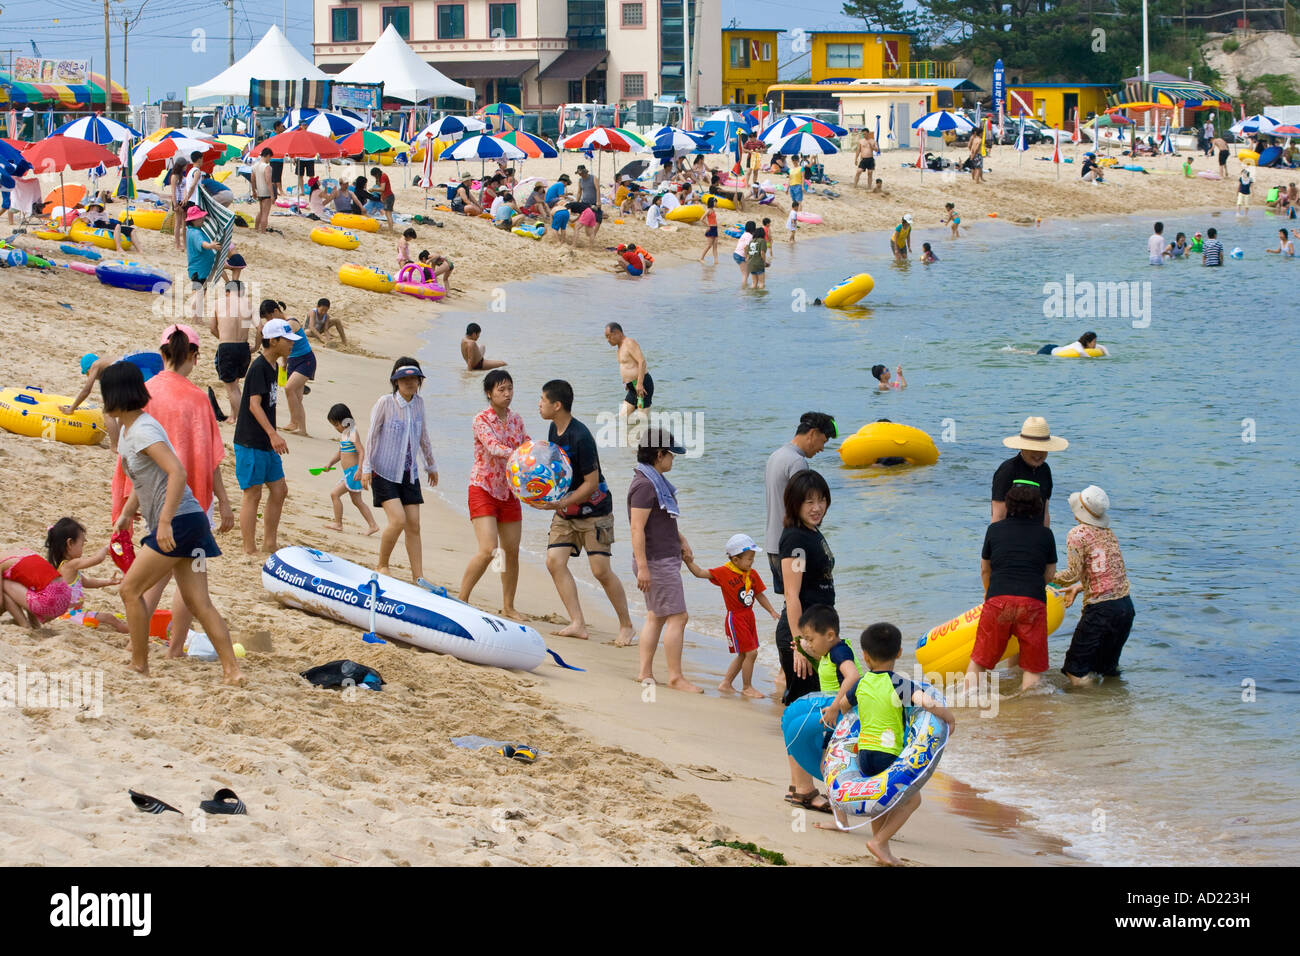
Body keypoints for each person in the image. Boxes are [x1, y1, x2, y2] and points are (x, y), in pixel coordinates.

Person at [103, 361, 241, 683]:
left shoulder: (143, 430)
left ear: (115, 395)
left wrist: (163, 522)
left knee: (130, 590)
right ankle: (232, 671)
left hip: (179, 523)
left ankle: (140, 663)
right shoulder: (128, 431)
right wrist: (126, 512)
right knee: (199, 602)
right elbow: (144, 478)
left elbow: (177, 472)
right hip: (190, 524)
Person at [838, 622, 956, 864]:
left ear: (865, 656)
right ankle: (879, 842)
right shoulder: (898, 682)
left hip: (864, 755)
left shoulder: (861, 683)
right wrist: (949, 718)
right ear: (900, 652)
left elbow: (843, 706)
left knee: (879, 801)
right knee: (913, 799)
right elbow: (925, 701)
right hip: (887, 754)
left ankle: (882, 847)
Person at [531, 379, 635, 645]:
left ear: (557, 405)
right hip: (566, 510)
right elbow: (559, 471)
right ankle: (577, 622)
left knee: (600, 570)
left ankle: (626, 625)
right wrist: (541, 494)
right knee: (554, 561)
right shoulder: (554, 428)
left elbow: (590, 484)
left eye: (543, 399)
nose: (539, 404)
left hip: (595, 511)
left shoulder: (582, 437)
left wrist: (559, 503)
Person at [626, 428, 699, 691]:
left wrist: (681, 540)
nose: (673, 460)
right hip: (656, 562)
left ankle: (645, 672)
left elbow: (662, 520)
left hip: (660, 559)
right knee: (678, 617)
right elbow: (637, 528)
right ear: (659, 455)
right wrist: (643, 567)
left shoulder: (651, 481)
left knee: (656, 616)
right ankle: (675, 676)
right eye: (670, 455)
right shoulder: (646, 486)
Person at [969, 481, 1058, 693]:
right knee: (1033, 667)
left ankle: (967, 702)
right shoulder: (1046, 535)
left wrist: (989, 594)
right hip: (1032, 601)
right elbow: (1050, 573)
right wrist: (1034, 588)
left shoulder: (994, 530)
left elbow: (985, 569)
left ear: (1008, 505)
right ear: (1038, 507)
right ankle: (1028, 712)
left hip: (998, 599)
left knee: (980, 659)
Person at [360, 358, 439, 583]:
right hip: (383, 471)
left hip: (408, 473)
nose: (409, 383)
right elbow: (372, 436)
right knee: (398, 520)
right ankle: (382, 564)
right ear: (396, 381)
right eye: (404, 379)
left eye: (413, 378)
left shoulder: (419, 404)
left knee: (414, 524)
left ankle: (418, 576)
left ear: (419, 380)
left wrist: (430, 465)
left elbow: (423, 436)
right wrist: (366, 468)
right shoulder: (385, 403)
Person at [780, 605, 861, 815]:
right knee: (828, 760)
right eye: (805, 639)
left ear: (830, 635)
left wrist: (835, 707)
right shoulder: (829, 652)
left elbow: (853, 677)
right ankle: (838, 813)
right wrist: (802, 648)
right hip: (836, 716)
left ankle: (840, 810)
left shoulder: (839, 651)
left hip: (844, 715)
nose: (808, 643)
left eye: (810, 639)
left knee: (831, 761)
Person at [458, 369, 527, 616]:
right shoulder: (481, 419)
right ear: (489, 393)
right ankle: (462, 599)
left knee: (511, 552)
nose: (507, 394)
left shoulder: (517, 420)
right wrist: (519, 453)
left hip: (509, 491)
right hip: (483, 487)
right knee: (489, 549)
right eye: (501, 390)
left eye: (510, 388)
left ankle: (508, 606)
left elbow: (526, 445)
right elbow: (494, 447)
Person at [1051, 485, 1135, 685]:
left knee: (1075, 671)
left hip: (1100, 611)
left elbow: (1071, 573)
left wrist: (1043, 577)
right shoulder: (1109, 533)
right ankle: (1111, 709)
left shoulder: (1077, 534)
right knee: (1106, 671)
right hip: (1125, 608)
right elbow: (1111, 574)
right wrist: (1081, 587)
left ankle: (1085, 711)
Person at [684, 533, 778, 697]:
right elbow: (699, 573)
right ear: (735, 560)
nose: (752, 561)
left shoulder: (752, 574)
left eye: (753, 558)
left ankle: (726, 684)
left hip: (749, 617)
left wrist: (771, 610)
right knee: (751, 653)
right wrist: (688, 561)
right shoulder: (724, 572)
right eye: (749, 558)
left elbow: (759, 595)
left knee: (744, 654)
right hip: (735, 618)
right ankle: (747, 687)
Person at [233, 317, 295, 554]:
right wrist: (273, 434)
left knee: (279, 490)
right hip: (251, 441)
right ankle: (249, 547)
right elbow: (253, 405)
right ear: (274, 340)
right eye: (287, 340)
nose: (291, 344)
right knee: (253, 493)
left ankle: (270, 542)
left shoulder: (274, 366)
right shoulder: (258, 367)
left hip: (267, 443)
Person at [764, 412, 835, 594]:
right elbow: (802, 507)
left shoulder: (776, 455)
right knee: (801, 600)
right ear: (812, 434)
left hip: (773, 543)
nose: (822, 448)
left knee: (790, 599)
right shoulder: (797, 462)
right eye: (824, 441)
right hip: (792, 545)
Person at [44, 517, 127, 632]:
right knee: (110, 618)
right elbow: (97, 559)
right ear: (70, 543)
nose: (83, 548)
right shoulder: (70, 565)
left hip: (73, 613)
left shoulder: (68, 567)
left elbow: (87, 582)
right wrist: (106, 548)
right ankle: (129, 631)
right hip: (68, 615)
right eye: (82, 544)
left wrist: (109, 581)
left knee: (107, 617)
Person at [992, 416, 1066, 527]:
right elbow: (998, 516)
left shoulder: (1045, 470)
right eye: (1033, 449)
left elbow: (1045, 513)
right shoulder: (1008, 470)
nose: (1037, 455)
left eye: (1042, 449)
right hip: (1010, 535)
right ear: (1022, 447)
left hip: (1036, 537)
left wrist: (1046, 538)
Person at [321, 403, 379, 536]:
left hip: (354, 472)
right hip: (349, 473)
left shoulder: (352, 433)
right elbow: (340, 453)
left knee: (335, 494)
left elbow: (361, 452)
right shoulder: (345, 434)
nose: (336, 428)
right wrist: (330, 464)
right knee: (357, 501)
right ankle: (373, 525)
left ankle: (338, 523)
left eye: (336, 425)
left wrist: (360, 470)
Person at [604, 322, 651, 417]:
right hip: (633, 387)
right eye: (606, 337)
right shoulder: (620, 347)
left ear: (617, 333)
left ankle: (650, 431)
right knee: (623, 417)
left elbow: (642, 361)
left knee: (642, 420)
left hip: (642, 386)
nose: (608, 340)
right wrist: (627, 382)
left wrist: (640, 384)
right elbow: (628, 365)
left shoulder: (629, 342)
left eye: (609, 336)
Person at [184, 206, 220, 318]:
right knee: (198, 294)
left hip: (198, 268)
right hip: (199, 269)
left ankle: (197, 317)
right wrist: (211, 246)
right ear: (194, 220)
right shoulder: (195, 233)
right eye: (200, 218)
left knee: (200, 292)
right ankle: (194, 316)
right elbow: (202, 244)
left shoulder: (191, 230)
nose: (203, 219)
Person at [575, 164, 602, 239]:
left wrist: (598, 201)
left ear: (585, 172)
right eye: (579, 174)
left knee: (598, 219)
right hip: (585, 202)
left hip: (594, 201)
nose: (580, 175)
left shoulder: (593, 178)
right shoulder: (580, 180)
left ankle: (594, 234)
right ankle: (590, 234)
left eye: (581, 173)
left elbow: (597, 189)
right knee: (586, 218)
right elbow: (579, 192)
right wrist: (576, 202)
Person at [368, 166, 397, 232]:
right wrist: (382, 197)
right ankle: (391, 229)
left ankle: (391, 230)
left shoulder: (383, 176)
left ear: (376, 174)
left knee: (388, 214)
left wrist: (373, 189)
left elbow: (382, 188)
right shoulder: (382, 176)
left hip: (389, 197)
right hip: (387, 197)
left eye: (374, 176)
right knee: (387, 214)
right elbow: (383, 190)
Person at [252, 147, 274, 233]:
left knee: (261, 212)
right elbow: (268, 181)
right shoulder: (266, 167)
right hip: (266, 192)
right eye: (270, 157)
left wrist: (254, 191)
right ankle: (263, 231)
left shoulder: (255, 166)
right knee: (265, 213)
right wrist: (272, 195)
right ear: (268, 155)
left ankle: (256, 228)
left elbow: (252, 179)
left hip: (259, 192)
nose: (270, 159)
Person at [1042, 331, 1109, 357]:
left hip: (1057, 347)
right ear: (1088, 342)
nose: (1095, 344)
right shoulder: (1078, 345)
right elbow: (1081, 352)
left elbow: (1102, 346)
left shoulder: (1088, 345)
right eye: (1094, 342)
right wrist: (1093, 358)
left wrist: (1108, 355)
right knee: (1034, 354)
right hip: (1049, 350)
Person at [745, 223, 768, 289]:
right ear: (763, 234)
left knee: (754, 283)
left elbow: (748, 254)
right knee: (761, 283)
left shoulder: (751, 241)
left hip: (751, 264)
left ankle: (753, 297)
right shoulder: (762, 241)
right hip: (758, 263)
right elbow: (762, 253)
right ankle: (760, 298)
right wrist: (764, 262)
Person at [732, 221, 754, 286]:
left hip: (736, 254)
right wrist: (747, 257)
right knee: (745, 274)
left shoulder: (744, 234)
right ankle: (743, 291)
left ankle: (744, 287)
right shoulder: (749, 236)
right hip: (740, 255)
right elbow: (746, 247)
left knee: (747, 272)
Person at [699, 196, 719, 263]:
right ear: (712, 202)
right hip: (711, 228)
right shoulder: (708, 210)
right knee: (709, 245)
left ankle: (716, 260)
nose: (716, 204)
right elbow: (701, 219)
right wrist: (708, 225)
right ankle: (701, 258)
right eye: (715, 202)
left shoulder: (713, 210)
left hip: (715, 228)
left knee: (715, 246)